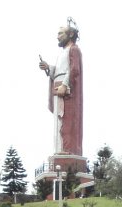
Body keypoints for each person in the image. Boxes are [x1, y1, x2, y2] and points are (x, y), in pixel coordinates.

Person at [39, 21, 83, 157]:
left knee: (67, 119)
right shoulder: (62, 53)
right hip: (58, 89)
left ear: (70, 34)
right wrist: (49, 68)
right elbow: (59, 71)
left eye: (60, 33)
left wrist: (65, 85)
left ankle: (67, 150)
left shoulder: (74, 49)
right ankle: (59, 150)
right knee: (58, 122)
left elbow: (74, 69)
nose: (57, 37)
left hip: (67, 91)